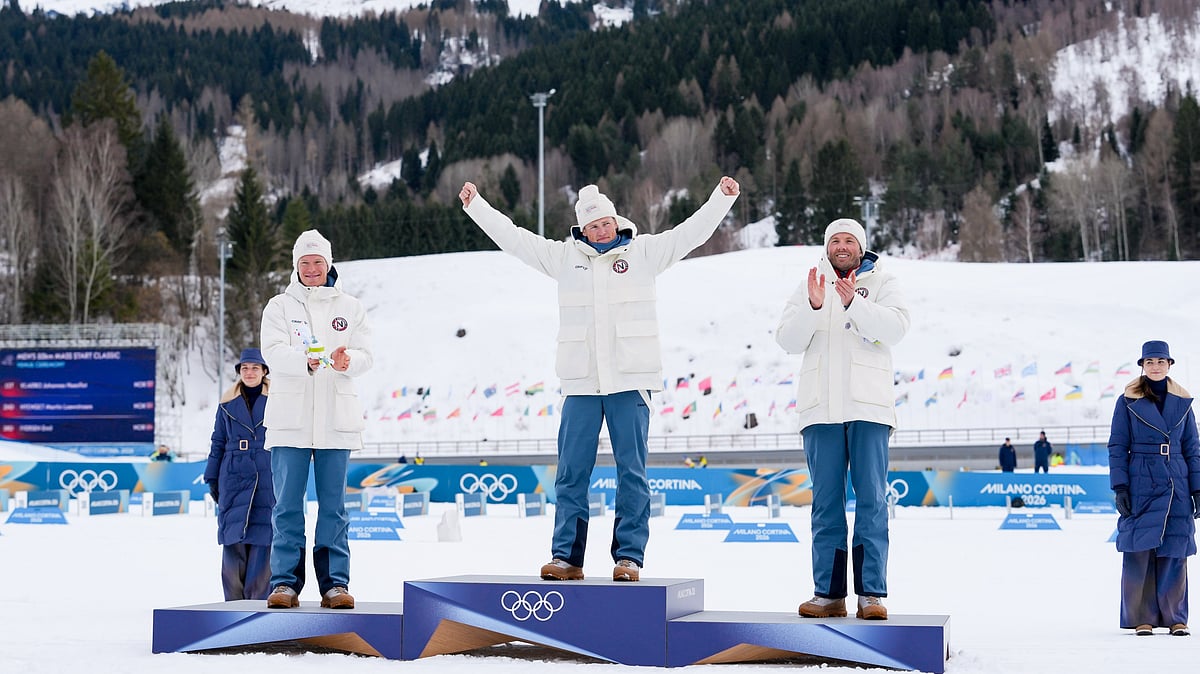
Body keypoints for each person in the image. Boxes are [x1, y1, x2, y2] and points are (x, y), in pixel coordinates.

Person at [460, 176, 739, 582]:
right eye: (593, 226)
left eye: (606, 223)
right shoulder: (563, 259)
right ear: (582, 231)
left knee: (632, 472)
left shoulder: (644, 253)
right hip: (581, 384)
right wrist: (477, 206)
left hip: (631, 380)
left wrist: (721, 199)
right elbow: (515, 239)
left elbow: (690, 233)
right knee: (572, 472)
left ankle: (629, 558)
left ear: (616, 220)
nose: (601, 230)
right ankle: (566, 558)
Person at [776, 217, 909, 620]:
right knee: (826, 503)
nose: (842, 245)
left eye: (849, 239)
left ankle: (871, 594)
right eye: (835, 239)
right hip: (821, 411)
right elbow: (787, 340)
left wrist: (855, 302)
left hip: (868, 406)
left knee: (871, 499)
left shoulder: (883, 283)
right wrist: (815, 307)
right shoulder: (809, 284)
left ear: (861, 245)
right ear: (826, 246)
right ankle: (828, 594)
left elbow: (896, 329)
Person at [260, 229, 374, 610]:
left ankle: (335, 585)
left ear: (329, 265)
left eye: (318, 262)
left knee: (334, 508)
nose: (311, 269)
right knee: (287, 506)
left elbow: (366, 354)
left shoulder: (351, 307)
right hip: (290, 422)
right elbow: (272, 353)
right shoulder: (278, 306)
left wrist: (349, 362)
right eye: (305, 263)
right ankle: (284, 584)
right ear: (296, 266)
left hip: (335, 422)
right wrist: (302, 361)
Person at [1107, 340, 1200, 637]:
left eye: (1161, 361)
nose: (1155, 366)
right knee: (1139, 550)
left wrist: (1198, 490)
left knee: (1175, 549)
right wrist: (1120, 485)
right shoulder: (1127, 402)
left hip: (1177, 480)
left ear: (1170, 364)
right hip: (1140, 479)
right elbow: (1118, 446)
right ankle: (1141, 618)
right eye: (1150, 361)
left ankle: (1176, 618)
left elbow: (1192, 449)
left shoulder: (1184, 403)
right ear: (1142, 366)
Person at [204, 347, 273, 600]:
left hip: (267, 472)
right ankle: (232, 604)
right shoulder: (226, 403)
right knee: (233, 537)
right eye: (245, 368)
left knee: (263, 538)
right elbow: (218, 441)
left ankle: (258, 603)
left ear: (264, 371)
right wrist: (211, 476)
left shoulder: (279, 399)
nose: (250, 372)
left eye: (255, 367)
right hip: (233, 473)